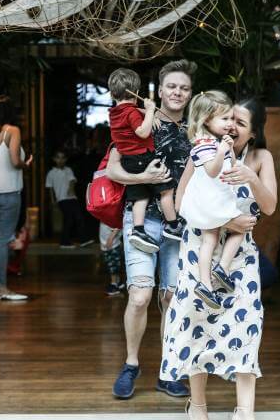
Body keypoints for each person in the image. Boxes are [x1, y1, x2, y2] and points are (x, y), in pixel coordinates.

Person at [161, 97, 276, 420]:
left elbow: (269, 206)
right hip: (199, 248)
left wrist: (250, 177)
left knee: (246, 326)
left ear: (252, 132)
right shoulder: (205, 152)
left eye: (240, 122)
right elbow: (181, 202)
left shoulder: (260, 157)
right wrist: (225, 221)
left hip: (240, 258)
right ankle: (197, 406)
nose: (232, 126)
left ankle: (245, 410)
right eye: (229, 119)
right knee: (194, 324)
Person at [105, 59, 196, 400]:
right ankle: (131, 364)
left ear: (190, 94)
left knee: (171, 296)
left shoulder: (195, 128)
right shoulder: (140, 120)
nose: (177, 92)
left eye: (184, 88)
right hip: (143, 218)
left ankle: (168, 369)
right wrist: (142, 178)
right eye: (172, 86)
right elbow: (113, 170)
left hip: (180, 223)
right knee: (141, 296)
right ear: (159, 89)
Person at [180, 91, 243, 309]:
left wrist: (229, 149)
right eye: (224, 119)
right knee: (242, 227)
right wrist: (222, 150)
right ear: (207, 119)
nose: (230, 123)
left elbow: (231, 164)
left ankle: (205, 283)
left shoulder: (214, 142)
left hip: (213, 198)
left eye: (232, 119)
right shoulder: (203, 144)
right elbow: (212, 171)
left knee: (210, 240)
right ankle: (221, 269)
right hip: (212, 199)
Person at [107, 68, 182, 253]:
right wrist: (149, 111)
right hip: (144, 157)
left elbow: (129, 114)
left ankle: (138, 229)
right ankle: (173, 225)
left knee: (140, 195)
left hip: (129, 160)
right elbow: (142, 131)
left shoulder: (114, 112)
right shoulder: (132, 113)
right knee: (166, 189)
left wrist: (144, 112)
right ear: (137, 93)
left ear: (112, 93)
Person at [0, 95, 32, 300]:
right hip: (7, 193)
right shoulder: (13, 131)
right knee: (2, 239)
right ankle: (1, 288)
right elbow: (14, 160)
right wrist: (26, 163)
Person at [46, 150, 94, 248]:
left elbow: (72, 180)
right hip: (61, 199)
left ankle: (83, 240)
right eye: (58, 157)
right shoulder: (51, 173)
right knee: (68, 219)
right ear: (54, 159)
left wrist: (70, 190)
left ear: (65, 159)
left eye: (63, 158)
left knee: (78, 218)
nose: (60, 160)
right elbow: (50, 188)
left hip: (72, 198)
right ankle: (64, 242)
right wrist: (52, 201)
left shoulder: (68, 170)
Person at [100, 222, 123, 296]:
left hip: (112, 243)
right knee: (110, 263)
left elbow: (119, 224)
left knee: (113, 264)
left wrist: (111, 237)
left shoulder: (113, 213)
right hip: (105, 242)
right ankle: (117, 282)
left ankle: (114, 284)